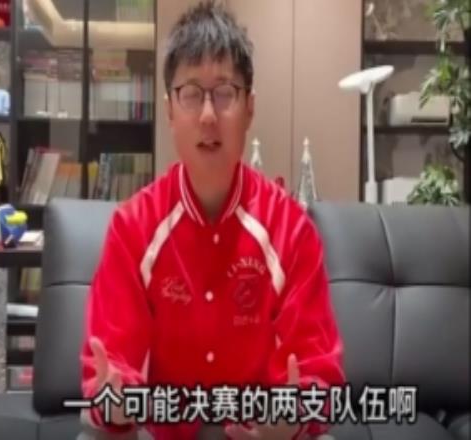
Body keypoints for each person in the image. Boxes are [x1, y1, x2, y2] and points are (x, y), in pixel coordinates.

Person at [80, 1, 345, 439]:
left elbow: (318, 369)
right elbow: (110, 366)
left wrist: (294, 419)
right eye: (191, 93)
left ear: (250, 108)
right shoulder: (133, 227)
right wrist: (114, 400)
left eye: (224, 92)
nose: (207, 115)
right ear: (169, 110)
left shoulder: (291, 229)